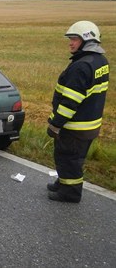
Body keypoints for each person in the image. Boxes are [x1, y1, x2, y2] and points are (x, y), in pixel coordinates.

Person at [46, 21, 109, 203]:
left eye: (74, 39)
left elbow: (70, 102)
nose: (70, 43)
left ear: (87, 40)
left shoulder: (81, 66)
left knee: (68, 157)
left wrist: (55, 124)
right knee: (74, 158)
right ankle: (63, 183)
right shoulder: (100, 61)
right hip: (91, 123)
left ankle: (70, 193)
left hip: (75, 126)